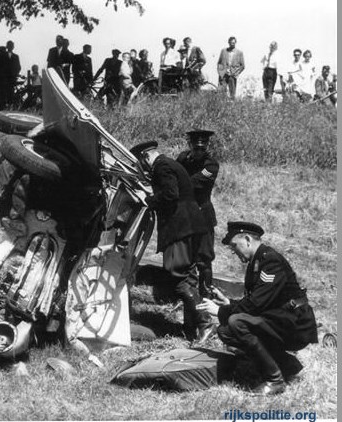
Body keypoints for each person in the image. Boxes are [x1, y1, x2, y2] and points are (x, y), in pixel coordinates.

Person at [197, 222, 318, 395]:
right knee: (225, 331)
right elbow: (257, 301)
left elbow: (256, 304)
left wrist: (220, 312)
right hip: (281, 318)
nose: (233, 251)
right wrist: (229, 303)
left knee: (236, 322)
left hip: (295, 323)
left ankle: (275, 380)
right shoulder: (258, 260)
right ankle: (287, 364)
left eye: (234, 246)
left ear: (247, 239)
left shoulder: (270, 260)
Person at [131, 142, 214, 343]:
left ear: (145, 157)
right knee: (190, 279)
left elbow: (170, 193)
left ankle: (205, 323)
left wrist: (148, 200)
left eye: (140, 163)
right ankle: (190, 328)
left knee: (179, 279)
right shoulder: (170, 163)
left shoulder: (161, 166)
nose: (141, 168)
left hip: (180, 229)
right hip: (193, 227)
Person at [176, 130, 219, 297]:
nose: (199, 151)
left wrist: (177, 181)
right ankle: (189, 295)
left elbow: (192, 183)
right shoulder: (182, 158)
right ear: (190, 145)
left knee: (204, 258)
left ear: (207, 146)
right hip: (185, 215)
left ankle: (206, 295)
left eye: (202, 148)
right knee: (186, 257)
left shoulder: (211, 165)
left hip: (202, 216)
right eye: (196, 148)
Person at [0, 40, 21, 108]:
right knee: (3, 93)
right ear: (7, 46)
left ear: (13, 47)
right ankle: (2, 107)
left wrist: (15, 74)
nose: (10, 46)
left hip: (12, 78)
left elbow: (18, 67)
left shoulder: (16, 56)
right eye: (9, 45)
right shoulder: (2, 55)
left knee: (10, 93)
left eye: (12, 45)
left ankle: (9, 107)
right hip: (3, 78)